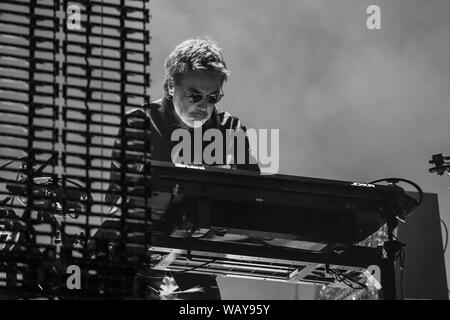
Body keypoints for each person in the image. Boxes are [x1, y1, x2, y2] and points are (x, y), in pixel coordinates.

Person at [93, 38, 259, 299]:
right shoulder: (140, 123)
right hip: (135, 260)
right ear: (171, 86)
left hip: (194, 259)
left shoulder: (229, 129)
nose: (203, 105)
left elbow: (254, 196)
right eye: (193, 95)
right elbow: (119, 199)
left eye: (212, 96)